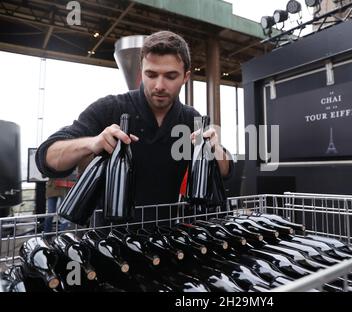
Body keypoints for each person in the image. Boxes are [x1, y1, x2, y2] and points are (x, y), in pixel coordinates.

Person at [35, 31, 233, 220]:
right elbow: (46, 158)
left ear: (186, 77)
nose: (159, 85)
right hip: (109, 241)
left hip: (168, 239)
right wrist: (92, 143)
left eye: (170, 76)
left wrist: (215, 150)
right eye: (151, 74)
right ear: (141, 71)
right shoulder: (109, 108)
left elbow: (226, 171)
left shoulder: (191, 119)